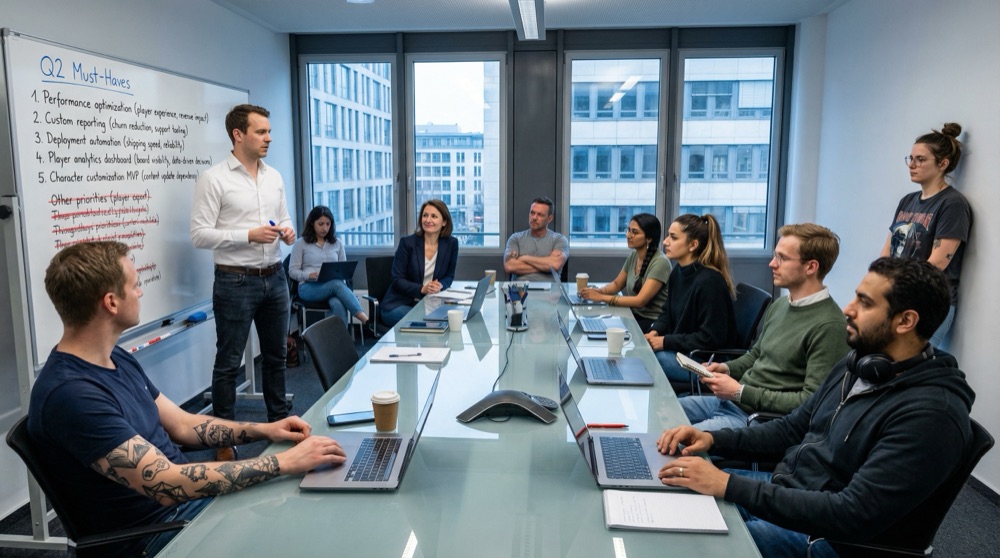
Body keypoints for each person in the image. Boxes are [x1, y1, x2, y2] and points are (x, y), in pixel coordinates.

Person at [27, 241, 347, 557]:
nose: (140, 292)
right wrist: (284, 462)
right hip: (157, 537)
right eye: (136, 285)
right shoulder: (71, 395)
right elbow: (164, 484)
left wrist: (266, 430)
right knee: (302, 527)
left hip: (186, 510)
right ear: (111, 303)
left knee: (309, 501)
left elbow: (182, 424)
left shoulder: (114, 358)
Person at [655, 257, 975, 557]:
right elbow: (792, 428)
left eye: (865, 303)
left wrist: (727, 484)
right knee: (673, 492)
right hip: (790, 491)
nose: (848, 309)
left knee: (690, 544)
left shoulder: (931, 416)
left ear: (906, 320)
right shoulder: (856, 366)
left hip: (827, 538)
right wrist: (713, 439)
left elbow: (850, 513)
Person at [191, 104, 295, 448]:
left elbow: (284, 218)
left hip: (275, 277)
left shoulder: (274, 176)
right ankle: (223, 440)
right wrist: (246, 235)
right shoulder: (214, 178)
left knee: (276, 357)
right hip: (235, 281)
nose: (269, 138)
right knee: (229, 363)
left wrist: (288, 232)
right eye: (261, 132)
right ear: (238, 135)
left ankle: (279, 427)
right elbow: (199, 234)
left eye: (268, 131)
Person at [681, 223, 850, 431]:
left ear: (811, 267)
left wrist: (740, 392)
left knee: (676, 443)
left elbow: (811, 402)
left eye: (782, 258)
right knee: (661, 412)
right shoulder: (781, 305)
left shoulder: (830, 326)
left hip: (759, 420)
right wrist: (726, 368)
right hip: (731, 403)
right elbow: (756, 355)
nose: (772, 263)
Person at [880, 122, 971, 346]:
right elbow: (888, 250)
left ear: (943, 164)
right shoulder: (907, 200)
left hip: (929, 302)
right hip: (897, 297)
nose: (912, 165)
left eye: (920, 159)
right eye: (910, 158)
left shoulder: (952, 204)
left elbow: (938, 262)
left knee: (912, 371)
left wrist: (900, 290)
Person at [645, 213, 735, 385]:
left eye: (673, 237)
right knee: (645, 353)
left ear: (693, 245)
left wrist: (665, 341)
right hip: (683, 353)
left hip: (703, 363)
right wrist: (654, 331)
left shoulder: (710, 281)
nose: (665, 242)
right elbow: (666, 313)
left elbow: (711, 338)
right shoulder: (678, 272)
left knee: (651, 361)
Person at [578, 213, 670, 331]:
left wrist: (600, 297)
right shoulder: (634, 255)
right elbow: (617, 284)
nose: (628, 235)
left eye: (635, 232)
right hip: (633, 315)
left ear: (649, 238)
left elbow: (640, 301)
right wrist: (598, 291)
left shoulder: (660, 262)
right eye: (628, 230)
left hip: (652, 323)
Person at [381, 199, 460, 326]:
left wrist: (439, 285)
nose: (428, 220)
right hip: (398, 304)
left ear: (444, 222)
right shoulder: (407, 243)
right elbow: (396, 279)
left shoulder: (451, 244)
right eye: (425, 215)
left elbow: (449, 276)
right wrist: (422, 289)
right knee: (428, 323)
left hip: (430, 303)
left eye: (434, 216)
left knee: (451, 320)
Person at [289, 205, 369, 326]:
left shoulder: (337, 243)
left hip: (332, 287)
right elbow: (292, 271)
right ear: (312, 223)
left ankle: (339, 342)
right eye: (320, 224)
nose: (325, 228)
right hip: (308, 287)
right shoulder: (301, 243)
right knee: (336, 285)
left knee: (337, 302)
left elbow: (344, 270)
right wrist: (308, 275)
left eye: (328, 224)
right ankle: (364, 318)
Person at [503, 197, 569, 282]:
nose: (534, 217)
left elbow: (555, 264)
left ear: (549, 219)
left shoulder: (559, 240)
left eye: (540, 215)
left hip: (550, 292)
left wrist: (524, 257)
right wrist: (547, 265)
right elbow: (509, 266)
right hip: (519, 291)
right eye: (532, 213)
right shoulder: (515, 238)